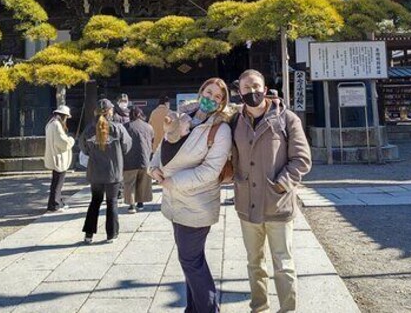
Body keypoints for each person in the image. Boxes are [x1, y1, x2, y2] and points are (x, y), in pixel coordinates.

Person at [149, 78, 233, 313]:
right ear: (200, 93)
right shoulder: (182, 118)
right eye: (208, 92)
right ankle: (193, 308)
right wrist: (153, 168)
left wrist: (172, 182)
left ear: (223, 102)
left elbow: (210, 171)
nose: (211, 99)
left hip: (197, 203)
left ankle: (208, 309)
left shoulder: (220, 129)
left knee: (190, 261)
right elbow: (162, 147)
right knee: (191, 260)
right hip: (176, 201)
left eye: (218, 97)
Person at [232, 69, 312, 313]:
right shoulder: (235, 121)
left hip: (277, 203)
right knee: (254, 262)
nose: (252, 92)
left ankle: (287, 309)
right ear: (239, 92)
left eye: (256, 86)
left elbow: (302, 159)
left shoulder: (287, 119)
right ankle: (259, 307)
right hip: (247, 204)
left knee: (283, 263)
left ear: (265, 89)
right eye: (246, 88)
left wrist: (280, 184)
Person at [80, 99, 131, 243]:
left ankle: (89, 234)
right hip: (113, 172)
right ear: (110, 111)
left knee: (95, 202)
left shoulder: (89, 129)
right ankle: (111, 234)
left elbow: (84, 149)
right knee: (112, 202)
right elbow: (127, 146)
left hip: (95, 171)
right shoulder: (118, 128)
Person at [123, 106, 154, 213]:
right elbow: (152, 141)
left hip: (129, 160)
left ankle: (131, 205)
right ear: (141, 114)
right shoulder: (149, 127)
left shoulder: (125, 127)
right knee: (143, 182)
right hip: (144, 158)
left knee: (129, 183)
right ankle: (140, 203)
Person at [44, 105, 75, 212]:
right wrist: (71, 140)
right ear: (64, 115)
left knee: (56, 182)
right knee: (58, 183)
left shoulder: (50, 123)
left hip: (54, 155)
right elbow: (62, 143)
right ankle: (55, 205)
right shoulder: (56, 125)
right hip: (58, 157)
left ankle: (57, 202)